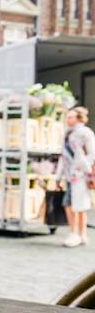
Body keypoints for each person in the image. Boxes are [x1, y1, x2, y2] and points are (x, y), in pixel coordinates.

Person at [55, 106, 95, 247]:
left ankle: (76, 233)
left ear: (79, 118)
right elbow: (63, 157)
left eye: (71, 117)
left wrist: (83, 169)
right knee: (76, 204)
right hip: (70, 174)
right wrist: (58, 177)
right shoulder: (67, 133)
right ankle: (79, 233)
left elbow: (91, 155)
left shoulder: (85, 133)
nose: (68, 119)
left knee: (75, 204)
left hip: (80, 175)